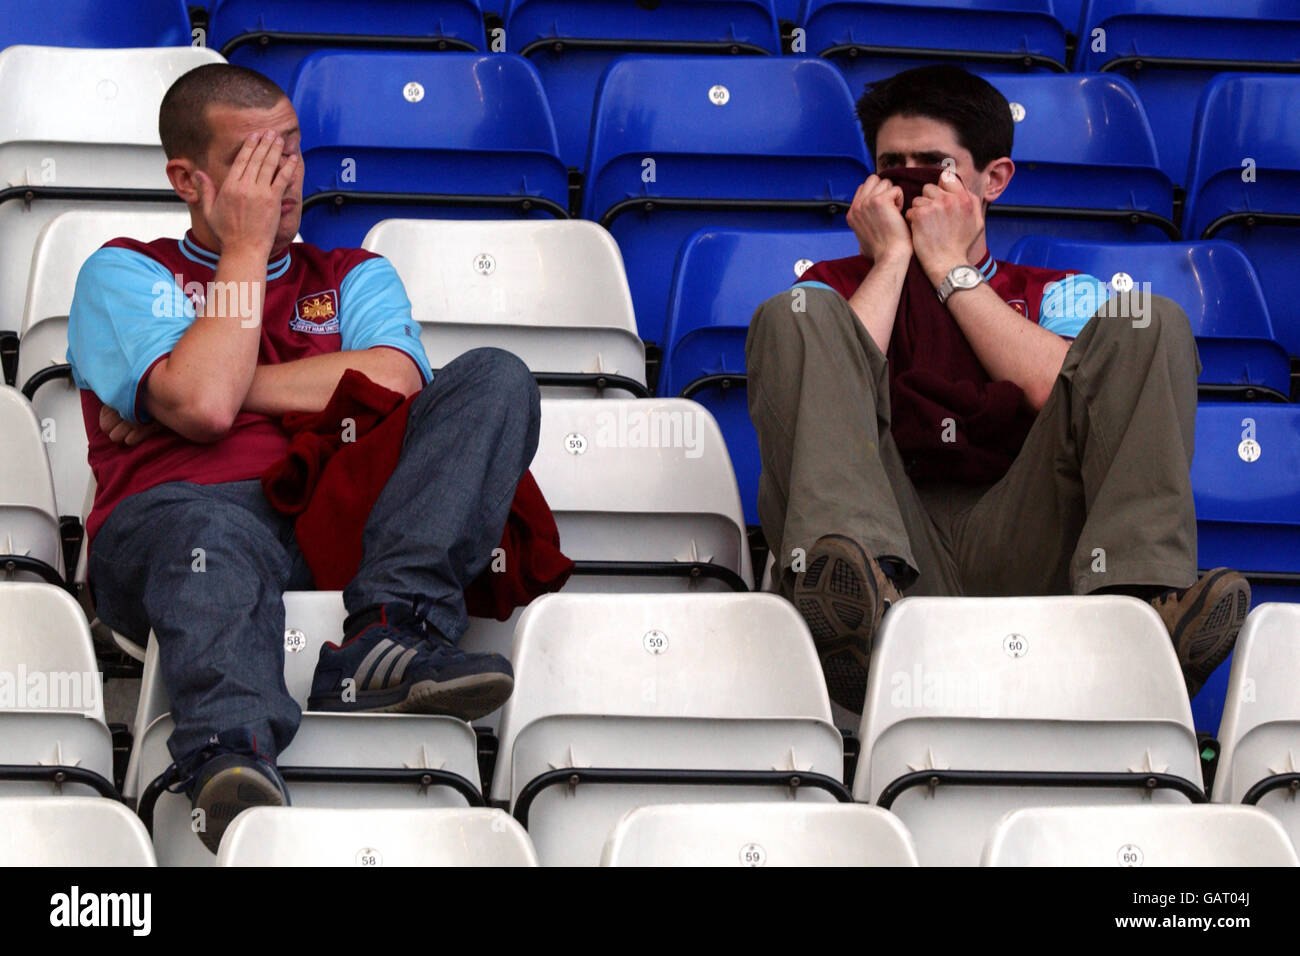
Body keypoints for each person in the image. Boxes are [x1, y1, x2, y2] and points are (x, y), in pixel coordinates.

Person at [67, 64, 540, 851]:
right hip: (176, 527)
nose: (284, 181)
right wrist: (245, 250)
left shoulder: (353, 275)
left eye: (291, 151)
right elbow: (206, 404)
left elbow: (392, 381)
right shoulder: (125, 272)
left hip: (327, 519)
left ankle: (387, 633)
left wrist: (207, 385)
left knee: (496, 377)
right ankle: (230, 756)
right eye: (256, 162)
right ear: (189, 179)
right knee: (212, 534)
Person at [746, 65, 1249, 715]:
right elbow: (825, 389)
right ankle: (859, 622)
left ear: (994, 178)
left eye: (932, 167)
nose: (908, 185)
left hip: (1030, 538)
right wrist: (896, 260)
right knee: (792, 317)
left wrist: (950, 270)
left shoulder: (1059, 290)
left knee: (1147, 320)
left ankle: (1140, 616)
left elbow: (1056, 387)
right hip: (892, 544)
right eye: (890, 168)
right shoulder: (829, 288)